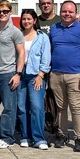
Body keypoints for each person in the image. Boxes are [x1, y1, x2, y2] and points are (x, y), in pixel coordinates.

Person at [48, 1, 80, 152]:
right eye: (64, 11)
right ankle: (62, 135)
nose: (67, 14)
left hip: (75, 75)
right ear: (60, 12)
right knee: (60, 108)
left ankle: (79, 138)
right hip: (56, 74)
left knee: (76, 107)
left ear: (76, 13)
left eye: (70, 12)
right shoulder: (53, 28)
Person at [0, 0, 25, 149]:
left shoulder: (15, 32)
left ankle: (7, 137)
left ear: (10, 12)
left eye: (5, 12)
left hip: (9, 74)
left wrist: (18, 74)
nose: (2, 14)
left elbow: (21, 53)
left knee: (8, 108)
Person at [17, 9, 51, 150]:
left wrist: (41, 75)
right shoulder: (18, 35)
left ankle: (38, 138)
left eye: (29, 19)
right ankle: (26, 136)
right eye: (24, 19)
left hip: (35, 75)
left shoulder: (42, 37)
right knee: (21, 107)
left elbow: (46, 57)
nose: (26, 21)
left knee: (36, 107)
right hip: (20, 74)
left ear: (34, 20)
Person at [36, 0, 62, 138]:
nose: (46, 5)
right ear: (39, 6)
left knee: (56, 99)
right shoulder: (36, 21)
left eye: (48, 3)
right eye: (43, 3)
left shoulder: (59, 21)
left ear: (53, 5)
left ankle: (57, 127)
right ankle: (42, 126)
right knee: (38, 99)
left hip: (55, 66)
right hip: (37, 68)